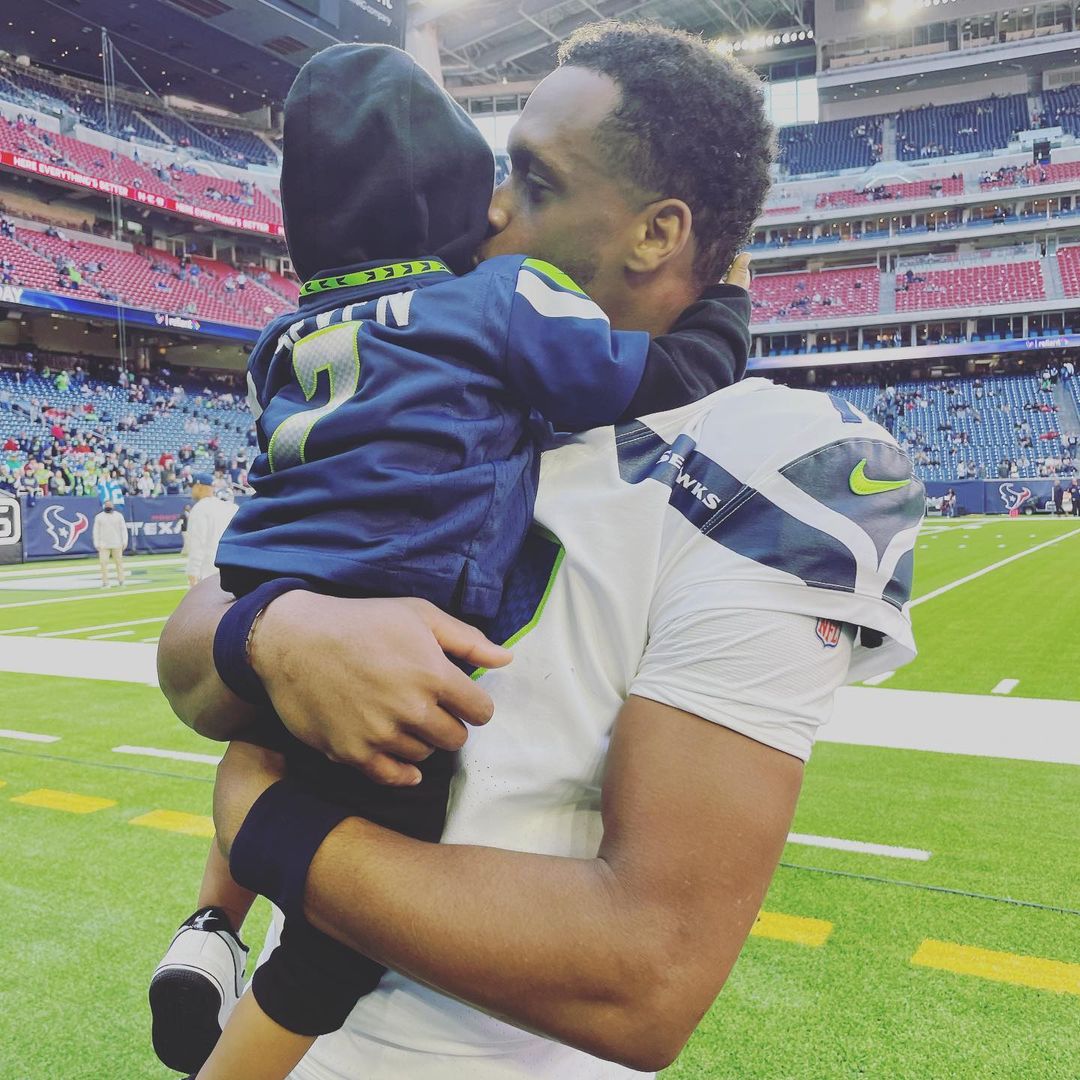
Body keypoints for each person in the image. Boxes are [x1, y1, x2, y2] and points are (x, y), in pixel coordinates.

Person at [157, 21, 921, 1080]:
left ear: (658, 233)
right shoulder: (434, 367)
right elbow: (189, 651)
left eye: (534, 179)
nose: (492, 208)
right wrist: (275, 636)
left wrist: (266, 824)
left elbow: (643, 973)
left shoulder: (779, 457)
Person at [184, 474, 238, 587]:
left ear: (199, 486)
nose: (191, 490)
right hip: (232, 569)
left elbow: (197, 545)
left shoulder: (200, 508)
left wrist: (193, 573)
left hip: (208, 573)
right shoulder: (231, 508)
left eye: (192, 487)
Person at [92, 501, 127, 587]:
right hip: (103, 544)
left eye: (110, 505)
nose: (108, 507)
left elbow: (123, 529)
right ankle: (105, 582)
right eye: (107, 505)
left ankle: (121, 581)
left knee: (119, 563)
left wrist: (124, 541)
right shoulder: (99, 517)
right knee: (103, 563)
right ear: (104, 506)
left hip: (117, 543)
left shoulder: (118, 516)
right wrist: (96, 543)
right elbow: (96, 531)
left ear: (113, 506)